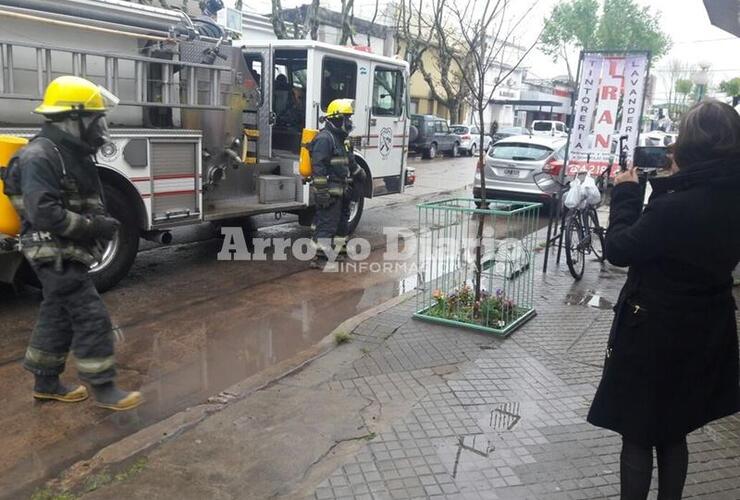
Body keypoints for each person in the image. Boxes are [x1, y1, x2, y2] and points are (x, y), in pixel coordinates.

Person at [587, 99, 740, 499]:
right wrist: (676, 181)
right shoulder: (728, 195)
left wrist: (625, 195)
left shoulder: (678, 206)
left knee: (638, 434)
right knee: (674, 431)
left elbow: (620, 249)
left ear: (691, 146)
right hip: (706, 330)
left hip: (655, 333)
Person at [2, 76, 143, 411]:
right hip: (52, 252)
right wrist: (93, 227)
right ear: (73, 119)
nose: (100, 128)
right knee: (90, 316)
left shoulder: (68, 152)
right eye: (95, 120)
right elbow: (44, 213)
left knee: (57, 314)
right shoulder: (40, 156)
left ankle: (46, 383)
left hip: (65, 250)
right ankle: (105, 388)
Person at [308, 98, 365, 269]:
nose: (349, 122)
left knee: (342, 224)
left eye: (349, 118)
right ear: (336, 119)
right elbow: (318, 167)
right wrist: (322, 191)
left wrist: (359, 174)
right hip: (330, 191)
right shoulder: (325, 139)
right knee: (327, 224)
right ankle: (319, 258)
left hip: (344, 189)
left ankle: (338, 252)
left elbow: (350, 161)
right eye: (346, 118)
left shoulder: (342, 139)